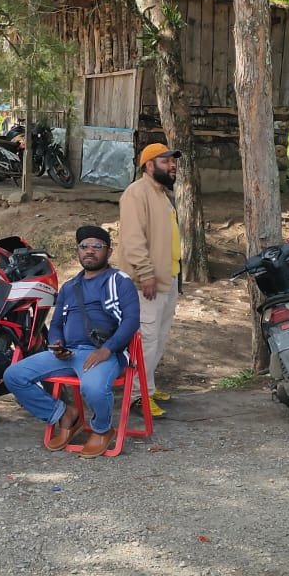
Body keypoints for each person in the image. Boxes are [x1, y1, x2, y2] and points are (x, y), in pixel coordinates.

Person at [4, 225, 141, 458]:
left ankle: (102, 429)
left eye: (97, 246)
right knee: (14, 376)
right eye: (84, 246)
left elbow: (132, 320)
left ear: (108, 252)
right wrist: (57, 344)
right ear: (78, 251)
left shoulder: (119, 280)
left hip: (104, 353)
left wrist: (107, 349)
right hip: (68, 353)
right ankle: (63, 414)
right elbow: (56, 324)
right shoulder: (69, 287)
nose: (90, 251)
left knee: (93, 388)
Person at [115, 142, 182, 418]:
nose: (172, 165)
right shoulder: (136, 193)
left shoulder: (161, 193)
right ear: (149, 165)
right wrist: (145, 273)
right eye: (166, 161)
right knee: (146, 340)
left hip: (167, 277)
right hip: (146, 283)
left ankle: (148, 387)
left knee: (159, 337)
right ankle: (136, 396)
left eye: (173, 161)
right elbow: (133, 239)